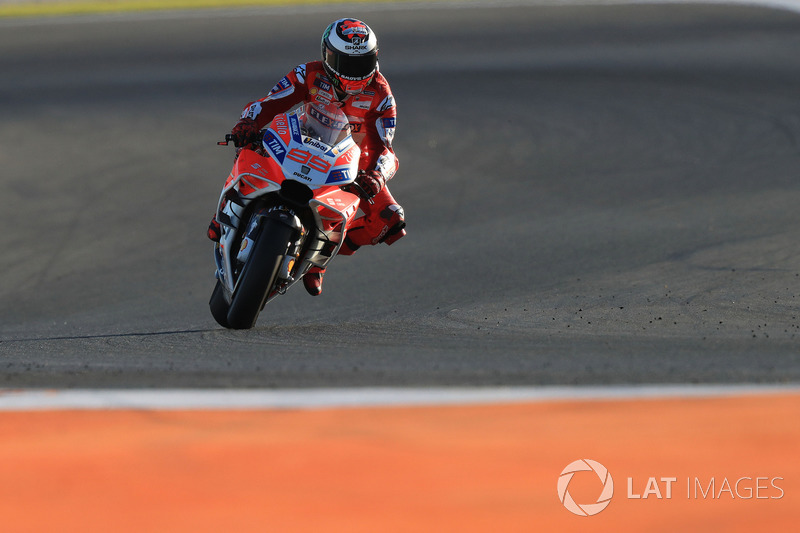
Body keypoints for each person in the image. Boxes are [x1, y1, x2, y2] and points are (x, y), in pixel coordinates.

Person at [208, 17, 406, 297]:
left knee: (391, 219)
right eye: (346, 63)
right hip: (301, 140)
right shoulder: (307, 74)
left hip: (350, 165)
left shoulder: (382, 96)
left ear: (375, 58)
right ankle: (227, 209)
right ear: (328, 55)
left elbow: (385, 148)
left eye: (362, 63)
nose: (355, 73)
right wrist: (247, 123)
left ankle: (317, 259)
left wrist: (377, 175)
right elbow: (269, 103)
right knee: (250, 142)